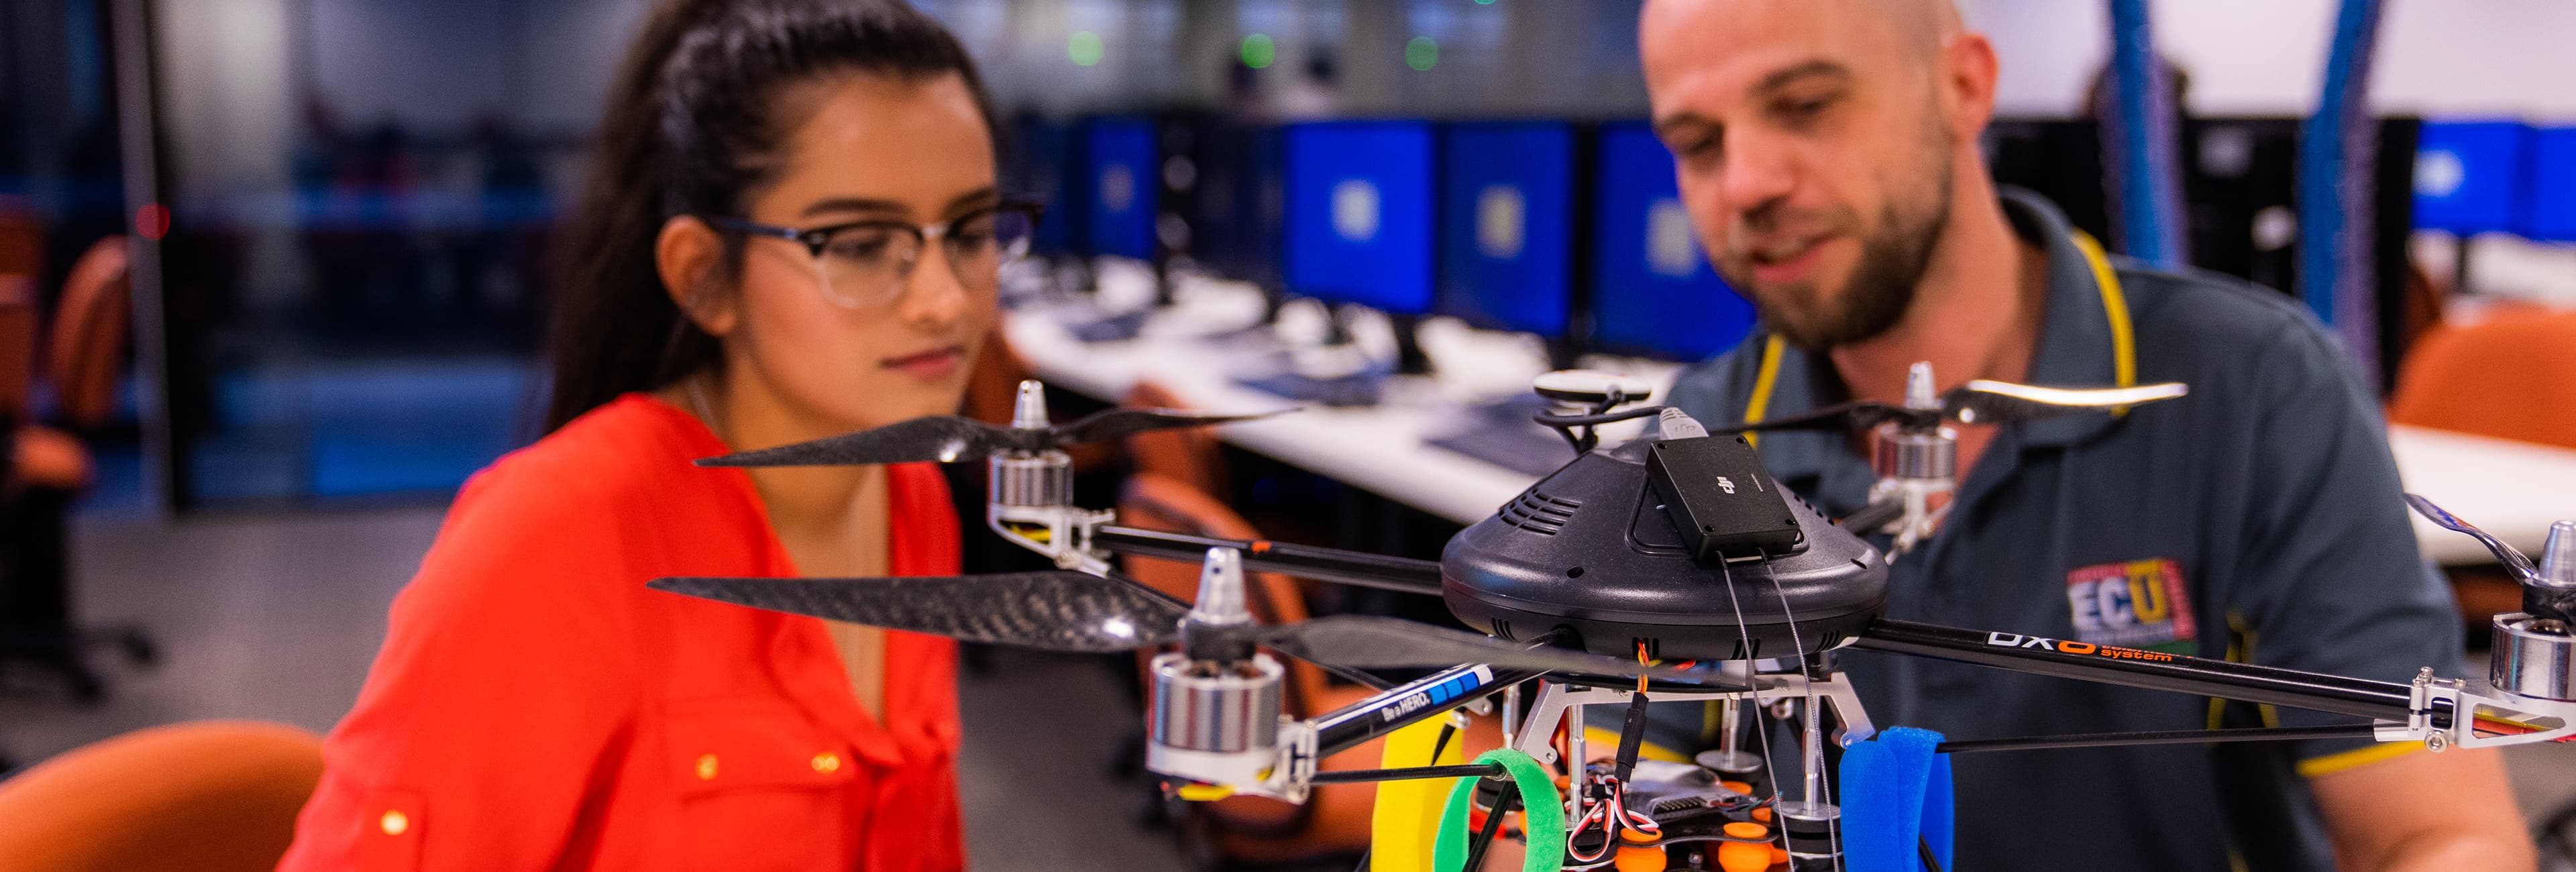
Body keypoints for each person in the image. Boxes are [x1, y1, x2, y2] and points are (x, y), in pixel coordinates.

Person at [1633, 1, 2534, 870]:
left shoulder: (2258, 388)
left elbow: (2444, 834)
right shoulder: (1698, 437)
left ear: (1963, 88)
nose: (1748, 183)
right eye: (1696, 145)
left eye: (1807, 105)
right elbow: (1589, 804)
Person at [278, 1, 1034, 867]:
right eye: (862, 244)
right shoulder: (560, 535)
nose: (945, 299)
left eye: (971, 231)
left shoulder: (910, 492)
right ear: (705, 275)